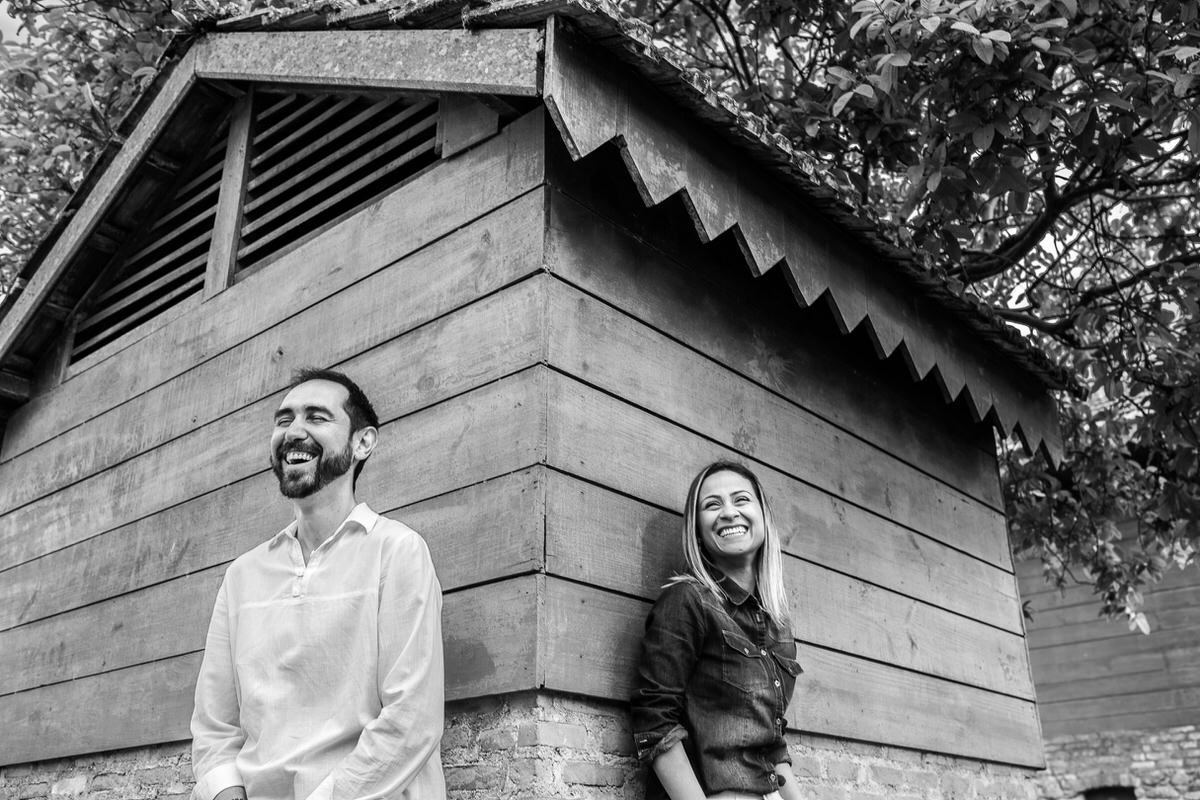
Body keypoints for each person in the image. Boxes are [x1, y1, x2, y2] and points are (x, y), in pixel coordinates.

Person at [190, 367, 446, 800]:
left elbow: (412, 720)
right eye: (284, 419)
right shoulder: (242, 576)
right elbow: (215, 728)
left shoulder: (397, 551)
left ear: (362, 443)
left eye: (316, 417)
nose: (293, 431)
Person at [631, 461, 803, 800]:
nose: (728, 512)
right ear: (697, 529)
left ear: (763, 517)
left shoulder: (778, 624)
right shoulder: (688, 600)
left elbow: (772, 743)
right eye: (712, 504)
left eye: (741, 500)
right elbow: (655, 722)